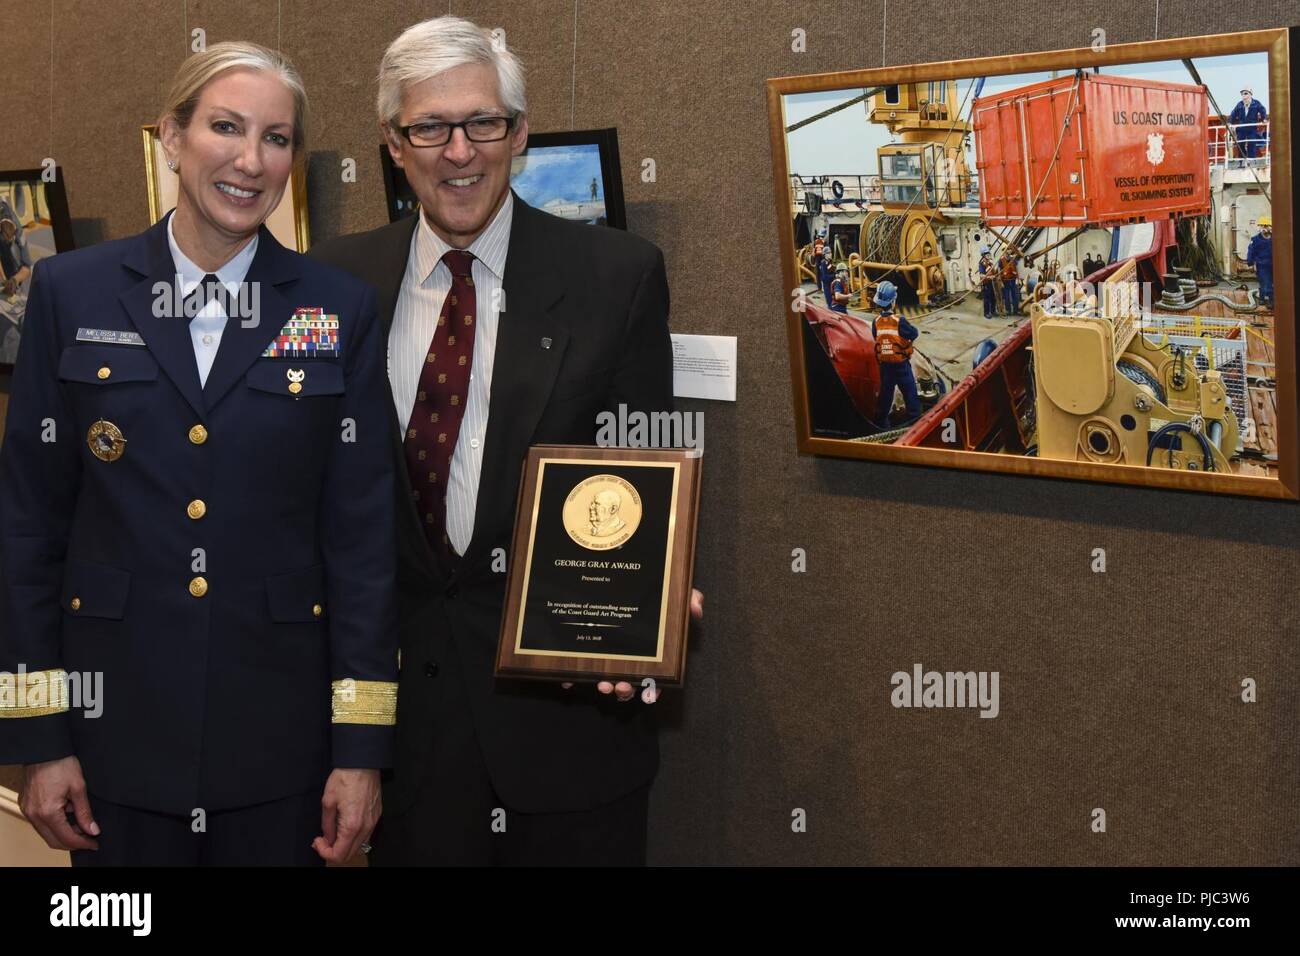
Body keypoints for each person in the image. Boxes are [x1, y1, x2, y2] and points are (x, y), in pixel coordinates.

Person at [308, 15, 702, 867]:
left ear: (518, 133)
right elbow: (308, 489)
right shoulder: (335, 281)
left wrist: (653, 601)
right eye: (430, 127)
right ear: (392, 142)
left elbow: (642, 470)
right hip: (399, 738)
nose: (460, 151)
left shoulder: (617, 276)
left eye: (484, 122)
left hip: (567, 736)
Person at [0, 42, 398, 866]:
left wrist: (361, 751)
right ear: (171, 140)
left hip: (282, 748)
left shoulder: (338, 309)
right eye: (226, 127)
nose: (252, 161)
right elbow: (25, 530)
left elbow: (362, 544)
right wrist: (37, 735)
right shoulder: (71, 293)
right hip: (115, 738)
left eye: (278, 138)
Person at [870, 280, 921, 427]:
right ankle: (915, 422)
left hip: (885, 366)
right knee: (910, 393)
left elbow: (876, 337)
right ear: (893, 302)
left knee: (885, 396)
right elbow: (914, 334)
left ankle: (880, 424)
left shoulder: (876, 321)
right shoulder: (900, 321)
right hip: (901, 365)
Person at [1229, 88, 1267, 159]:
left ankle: (1251, 160)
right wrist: (1229, 122)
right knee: (1240, 143)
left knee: (1252, 143)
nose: (1244, 96)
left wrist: (1264, 118)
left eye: (1246, 93)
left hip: (1251, 128)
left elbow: (1262, 110)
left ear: (1250, 94)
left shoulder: (1256, 103)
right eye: (1242, 94)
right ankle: (1242, 160)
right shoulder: (1239, 104)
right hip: (1241, 128)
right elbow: (1233, 113)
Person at [1246, 215, 1273, 309]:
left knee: (1270, 283)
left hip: (1273, 265)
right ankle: (1269, 301)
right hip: (1262, 265)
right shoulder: (1255, 240)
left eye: (1267, 226)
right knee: (1265, 282)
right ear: (1260, 227)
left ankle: (1263, 298)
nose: (1265, 228)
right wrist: (1250, 263)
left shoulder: (1275, 239)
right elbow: (1251, 251)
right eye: (1263, 226)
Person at [977, 246, 997, 318]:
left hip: (992, 283)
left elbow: (993, 271)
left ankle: (993, 311)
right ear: (983, 255)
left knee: (993, 298)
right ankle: (986, 313)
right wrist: (989, 277)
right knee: (987, 298)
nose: (989, 255)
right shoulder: (982, 263)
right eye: (987, 254)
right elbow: (981, 275)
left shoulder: (990, 262)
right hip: (986, 284)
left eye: (989, 254)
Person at [999, 248, 1021, 315]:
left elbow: (1017, 269)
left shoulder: (1013, 259)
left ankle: (1016, 310)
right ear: (1004, 251)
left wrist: (1018, 278)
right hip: (1005, 281)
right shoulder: (1001, 260)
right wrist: (1001, 282)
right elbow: (999, 271)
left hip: (1013, 280)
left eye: (1009, 249)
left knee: (1015, 296)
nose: (1009, 251)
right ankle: (1008, 310)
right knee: (1006, 296)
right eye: (1007, 249)